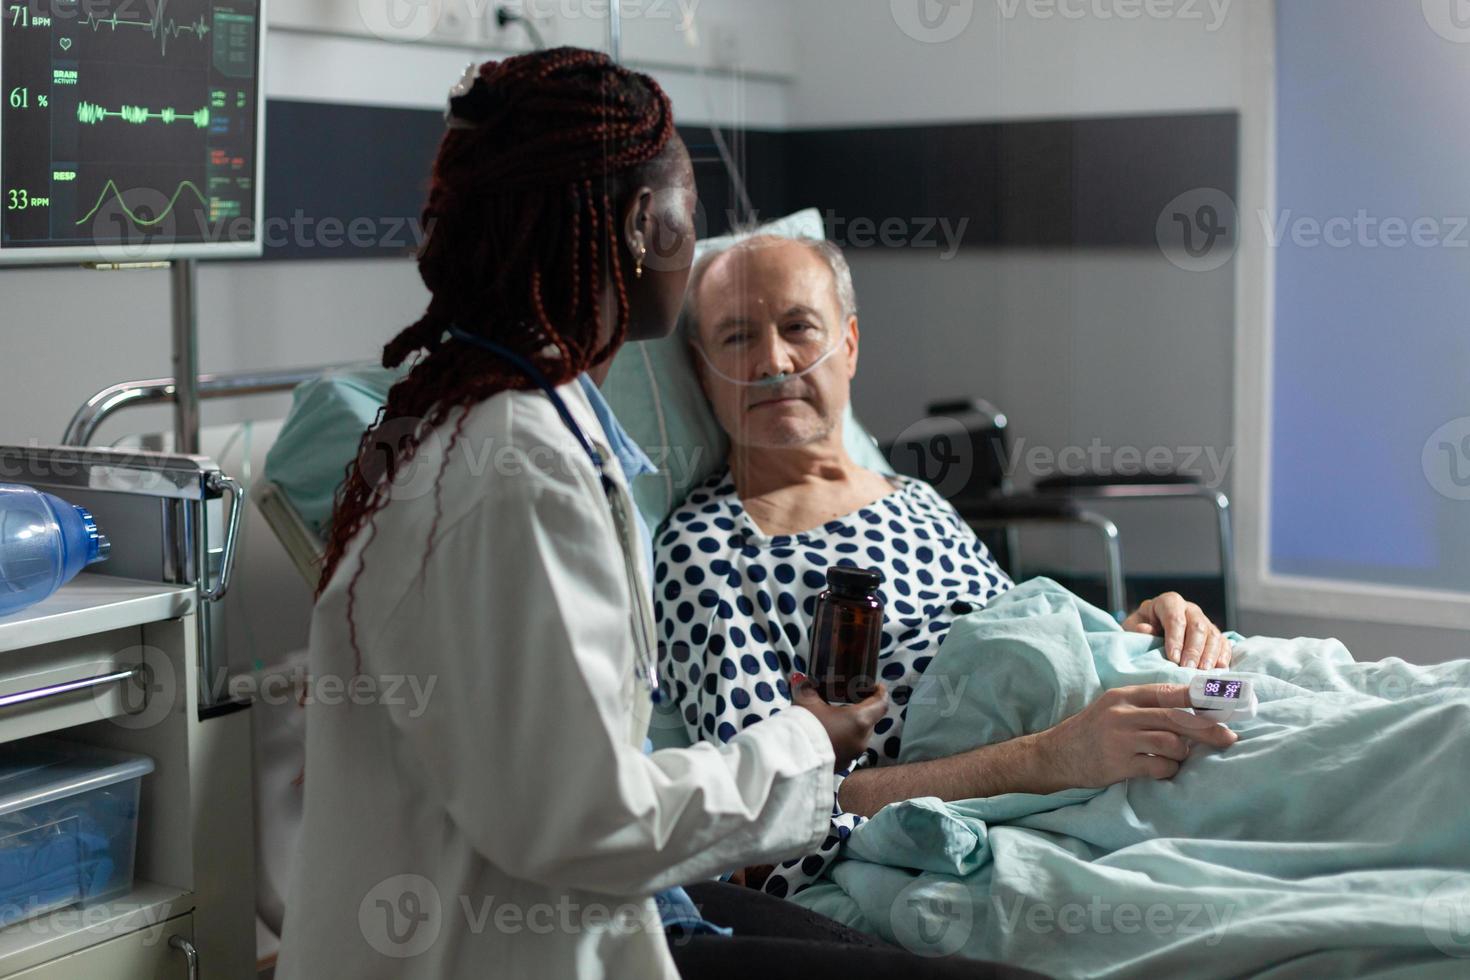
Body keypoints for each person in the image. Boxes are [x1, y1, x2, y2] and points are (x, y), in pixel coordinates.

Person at [275, 50, 1041, 980]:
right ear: (644, 223)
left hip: (596, 901)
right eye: (690, 215)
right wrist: (804, 740)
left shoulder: (495, 426)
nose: (771, 360)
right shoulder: (522, 472)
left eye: (800, 330)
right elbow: (590, 818)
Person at [657, 234, 1237, 898]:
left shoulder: (917, 499)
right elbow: (761, 825)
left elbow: (1022, 642)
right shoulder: (709, 551)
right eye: (736, 338)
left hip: (1134, 704)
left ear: (847, 346)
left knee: (1339, 710)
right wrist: (1056, 757)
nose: (773, 361)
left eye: (797, 327)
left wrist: (1128, 629)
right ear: (704, 374)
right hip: (1068, 783)